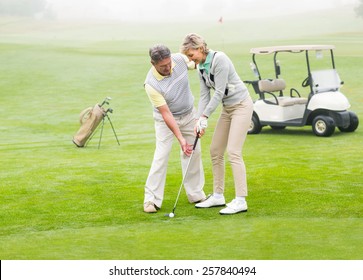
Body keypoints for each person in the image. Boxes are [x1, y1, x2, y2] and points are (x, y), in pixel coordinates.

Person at [180, 33, 253, 215]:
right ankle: (218, 195)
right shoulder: (200, 68)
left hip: (242, 106)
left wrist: (205, 117)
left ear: (200, 48)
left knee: (234, 152)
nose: (191, 60)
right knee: (215, 151)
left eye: (191, 55)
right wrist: (198, 119)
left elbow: (219, 93)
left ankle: (241, 200)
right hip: (227, 109)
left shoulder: (220, 59)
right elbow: (205, 95)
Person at [143, 44, 206, 213]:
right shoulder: (151, 84)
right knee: (161, 156)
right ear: (153, 63)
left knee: (194, 152)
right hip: (166, 121)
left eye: (168, 63)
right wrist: (181, 139)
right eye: (163, 66)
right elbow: (166, 114)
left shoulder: (178, 59)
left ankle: (195, 193)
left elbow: (194, 63)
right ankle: (151, 200)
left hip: (189, 114)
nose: (168, 68)